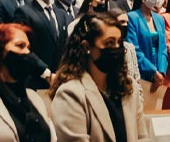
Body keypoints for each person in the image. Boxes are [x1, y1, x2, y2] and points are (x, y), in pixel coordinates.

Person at [51, 12, 147, 141]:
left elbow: (142, 137)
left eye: (119, 42)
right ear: (86, 47)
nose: (117, 48)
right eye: (109, 43)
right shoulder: (70, 94)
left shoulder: (129, 87)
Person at [15, 0, 69, 71]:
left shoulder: (61, 13)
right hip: (35, 75)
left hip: (57, 74)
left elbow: (63, 45)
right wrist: (45, 72)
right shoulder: (24, 12)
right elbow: (23, 47)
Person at [127, 0, 168, 109]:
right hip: (142, 72)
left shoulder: (159, 18)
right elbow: (134, 50)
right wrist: (153, 71)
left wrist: (161, 71)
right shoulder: (132, 17)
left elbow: (163, 48)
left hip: (159, 73)